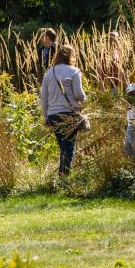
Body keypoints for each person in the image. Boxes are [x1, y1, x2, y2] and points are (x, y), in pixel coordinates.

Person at [41, 44, 87, 176]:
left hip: (53, 115)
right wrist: (85, 98)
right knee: (68, 147)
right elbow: (78, 95)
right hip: (69, 114)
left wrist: (46, 117)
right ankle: (63, 177)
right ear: (71, 56)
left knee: (63, 146)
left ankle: (63, 176)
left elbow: (44, 98)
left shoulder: (49, 72)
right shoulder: (74, 71)